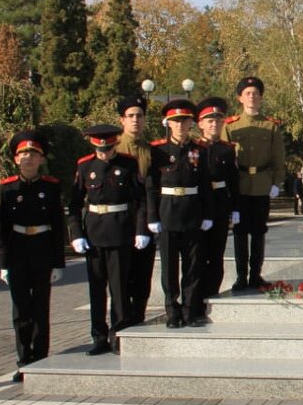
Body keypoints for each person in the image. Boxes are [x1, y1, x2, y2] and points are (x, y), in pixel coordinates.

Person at [68, 124, 148, 354]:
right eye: (100, 149)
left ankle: (118, 334)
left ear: (114, 144)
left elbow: (141, 200)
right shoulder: (85, 166)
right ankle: (99, 336)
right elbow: (74, 204)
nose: (105, 152)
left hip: (121, 231)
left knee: (120, 289)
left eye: (109, 148)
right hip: (93, 234)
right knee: (96, 289)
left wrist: (140, 230)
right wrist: (76, 234)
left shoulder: (128, 164)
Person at [0, 130, 65, 383]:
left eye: (33, 154)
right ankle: (23, 360)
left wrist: (59, 262)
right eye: (23, 154)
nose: (28, 158)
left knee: (41, 308)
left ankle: (41, 357)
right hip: (17, 252)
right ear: (16, 159)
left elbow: (58, 226)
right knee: (21, 310)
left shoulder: (51, 187)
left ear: (41, 159)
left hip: (42, 251)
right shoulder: (6, 189)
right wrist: (2, 263)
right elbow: (1, 229)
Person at [147, 99, 213, 327]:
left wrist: (207, 214)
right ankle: (172, 310)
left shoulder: (199, 150)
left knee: (193, 265)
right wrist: (152, 216)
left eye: (184, 121)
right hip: (167, 211)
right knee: (169, 266)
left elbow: (205, 184)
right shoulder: (158, 150)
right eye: (175, 122)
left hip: (192, 210)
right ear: (168, 124)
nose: (180, 126)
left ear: (190, 124)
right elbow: (151, 186)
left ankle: (190, 310)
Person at [221, 77, 286, 291]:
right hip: (239, 185)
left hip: (261, 184)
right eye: (247, 93)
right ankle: (241, 276)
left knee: (258, 231)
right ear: (240, 98)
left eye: (256, 93)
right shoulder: (230, 126)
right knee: (240, 232)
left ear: (261, 97)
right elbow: (224, 158)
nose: (252, 96)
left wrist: (277, 182)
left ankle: (255, 274)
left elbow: (278, 158)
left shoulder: (271, 126)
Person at [116, 95, 156, 327]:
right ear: (122, 120)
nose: (135, 120)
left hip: (145, 218)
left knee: (143, 273)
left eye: (139, 116)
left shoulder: (150, 150)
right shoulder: (114, 148)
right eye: (130, 116)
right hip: (121, 219)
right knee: (122, 276)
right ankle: (121, 322)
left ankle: (138, 318)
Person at [197, 97, 238, 300]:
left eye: (218, 121)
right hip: (199, 205)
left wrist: (235, 208)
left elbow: (233, 180)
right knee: (198, 254)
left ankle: (212, 294)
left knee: (216, 254)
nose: (214, 125)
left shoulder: (227, 149)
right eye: (210, 121)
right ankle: (197, 296)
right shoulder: (194, 148)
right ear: (201, 124)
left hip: (220, 203)